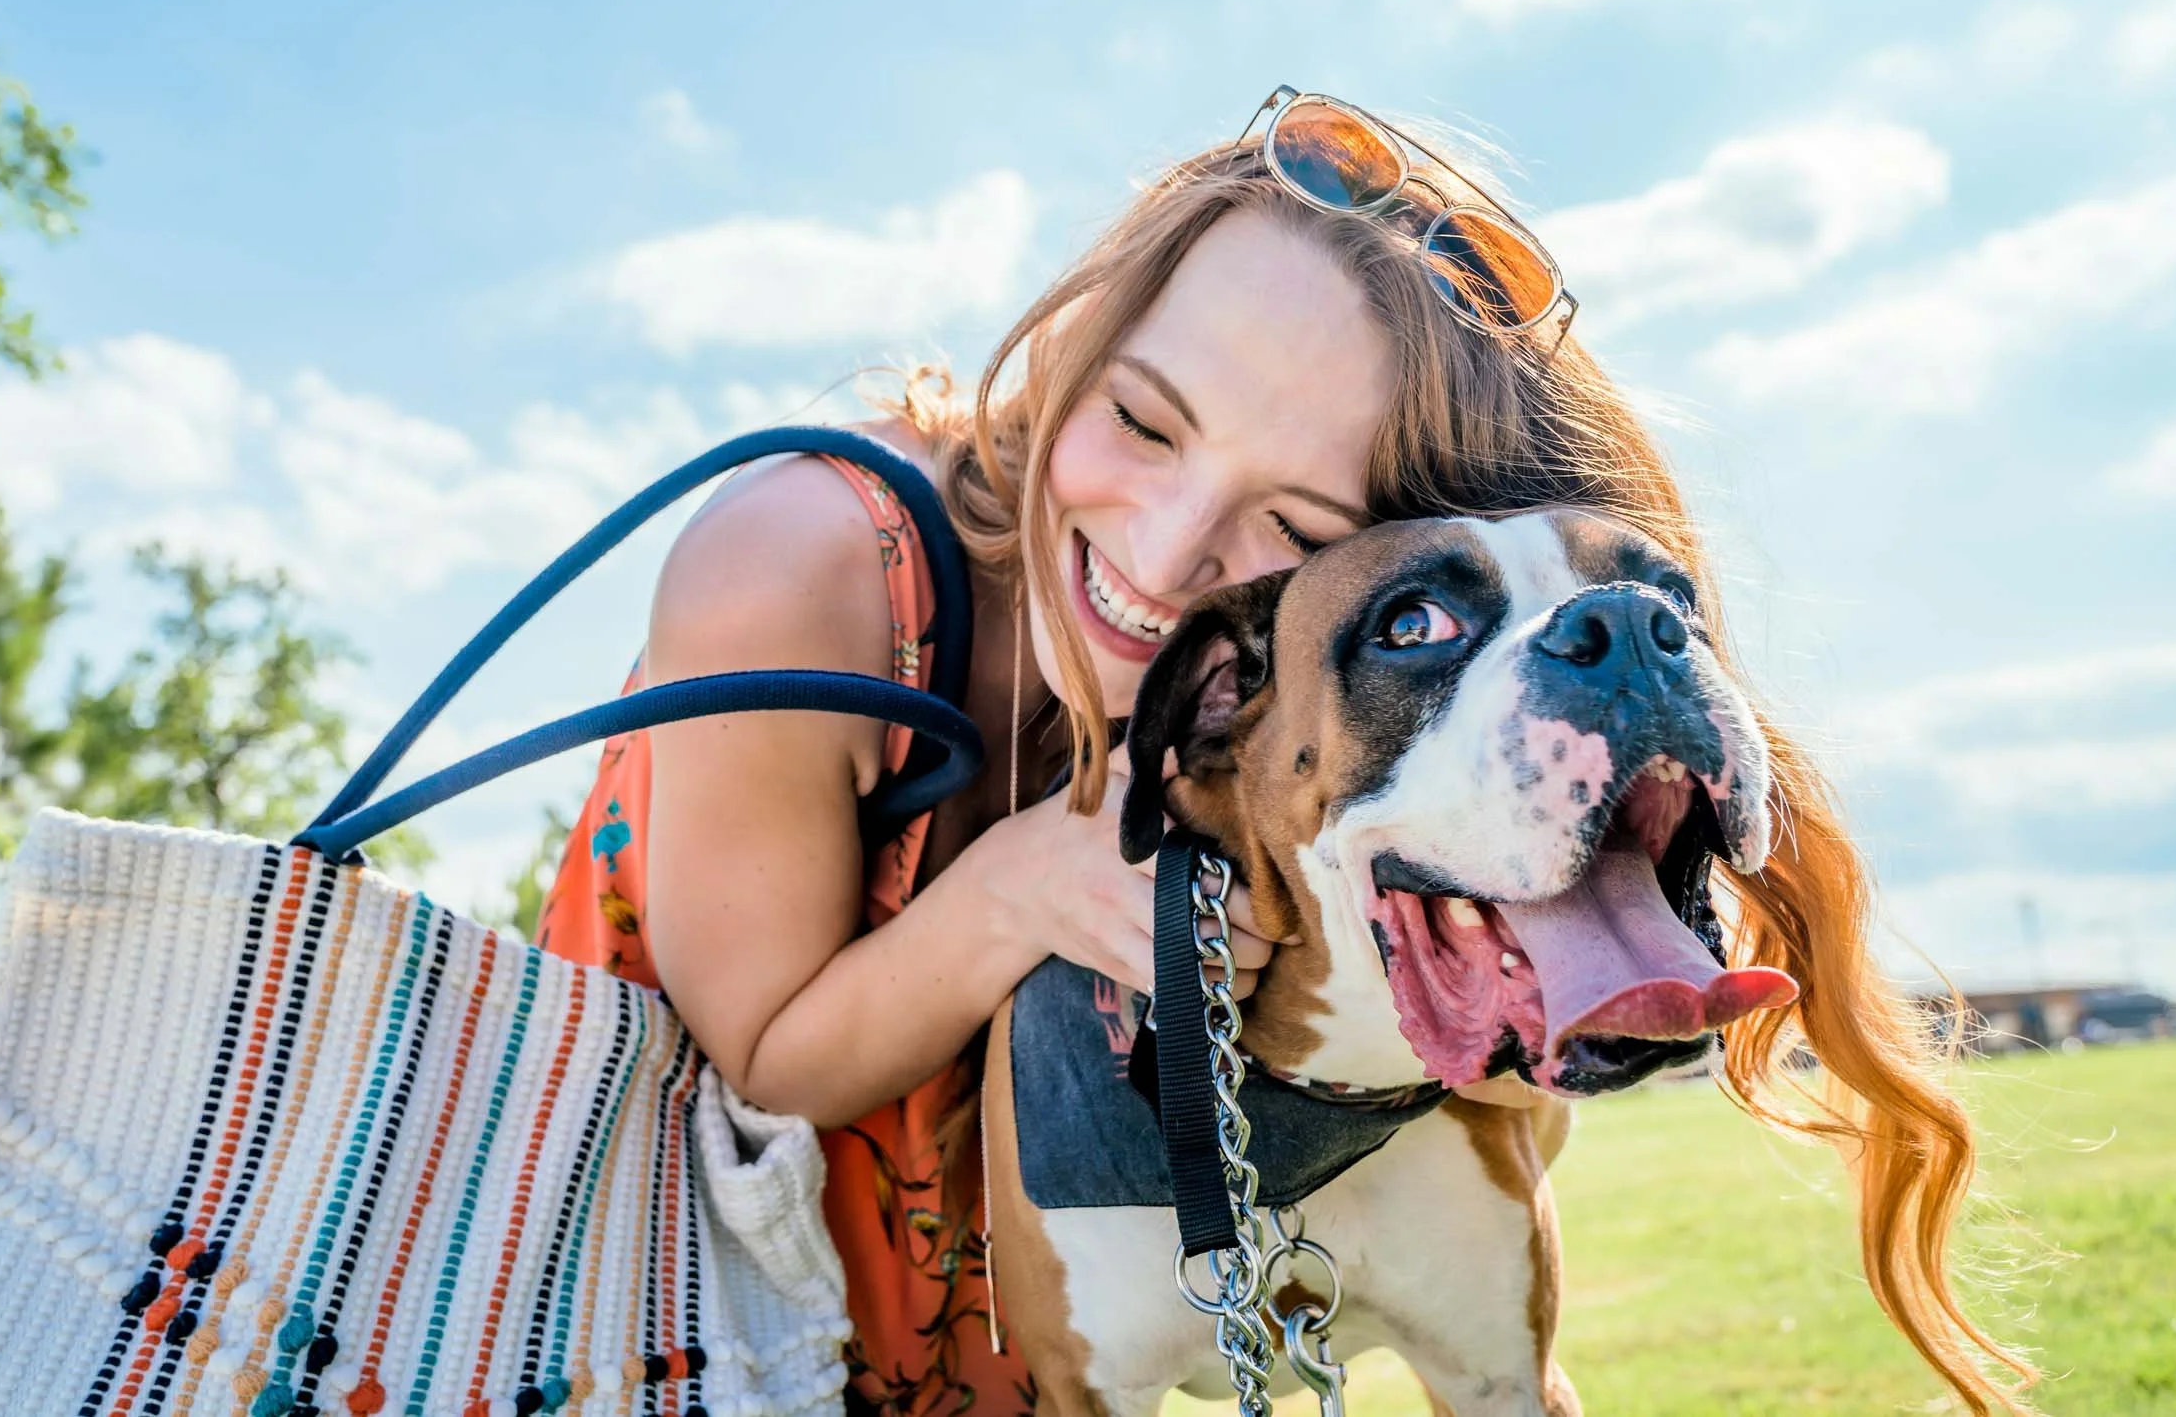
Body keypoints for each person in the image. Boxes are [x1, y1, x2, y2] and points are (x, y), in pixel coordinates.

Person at [537, 91, 2029, 1415]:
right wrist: (1018, 890)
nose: (1170, 547)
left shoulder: (1316, 722)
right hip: (702, 1242)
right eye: (1141, 417)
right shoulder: (800, 563)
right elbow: (765, 1060)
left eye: (1299, 531)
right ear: (1083, 330)